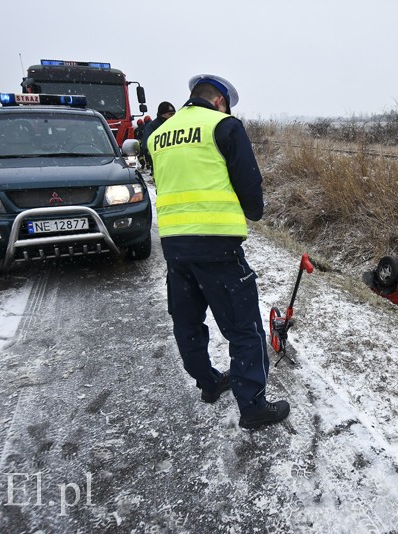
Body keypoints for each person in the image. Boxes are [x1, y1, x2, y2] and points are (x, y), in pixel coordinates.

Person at [147, 74, 289, 430]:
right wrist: (254, 211)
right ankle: (253, 405)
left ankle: (209, 383)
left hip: (175, 247)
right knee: (245, 328)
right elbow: (249, 183)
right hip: (217, 246)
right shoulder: (224, 126)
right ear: (221, 101)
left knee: (188, 322)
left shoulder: (160, 134)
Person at [141, 102, 176, 174]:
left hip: (176, 162)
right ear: (162, 114)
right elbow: (147, 145)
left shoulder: (176, 124)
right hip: (159, 164)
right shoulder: (151, 127)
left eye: (174, 114)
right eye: (170, 114)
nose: (173, 116)